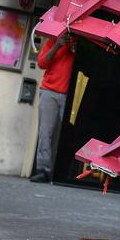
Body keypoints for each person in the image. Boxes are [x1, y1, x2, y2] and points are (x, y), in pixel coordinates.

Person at [30, 33, 76, 183]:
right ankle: (43, 171)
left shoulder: (79, 43)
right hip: (49, 92)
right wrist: (57, 45)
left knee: (69, 135)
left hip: (71, 94)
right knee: (45, 133)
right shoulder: (52, 41)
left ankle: (63, 172)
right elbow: (42, 64)